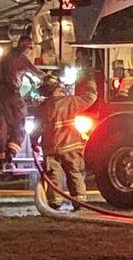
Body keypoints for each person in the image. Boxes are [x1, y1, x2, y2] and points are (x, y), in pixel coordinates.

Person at [34, 72, 97, 212]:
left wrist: (34, 142)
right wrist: (91, 80)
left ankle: (54, 203)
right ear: (58, 88)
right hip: (70, 146)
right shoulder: (70, 101)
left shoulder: (42, 108)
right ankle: (79, 201)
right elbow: (90, 97)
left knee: (53, 175)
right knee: (74, 172)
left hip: (50, 148)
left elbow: (37, 128)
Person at [0, 35, 43, 175]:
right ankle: (10, 154)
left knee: (1, 124)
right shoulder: (20, 57)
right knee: (20, 122)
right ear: (23, 45)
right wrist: (48, 77)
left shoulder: (8, 55)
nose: (29, 49)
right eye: (29, 46)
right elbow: (36, 72)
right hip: (10, 94)